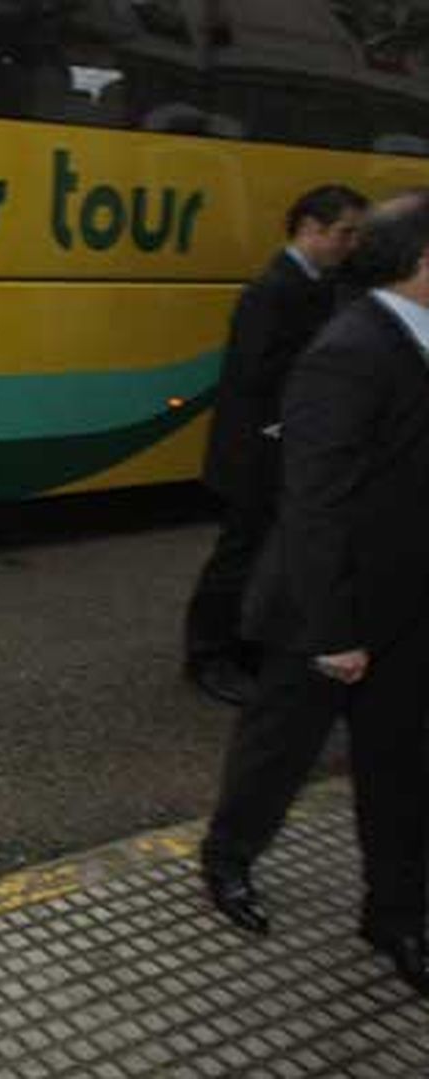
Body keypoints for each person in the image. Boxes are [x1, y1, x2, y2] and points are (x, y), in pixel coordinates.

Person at [200, 190, 429, 999]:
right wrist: (336, 631)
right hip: (321, 610)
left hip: (407, 606)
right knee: (276, 756)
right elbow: (315, 503)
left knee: (402, 767)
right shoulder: (350, 349)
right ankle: (228, 859)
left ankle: (396, 913)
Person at [184, 184, 368, 706]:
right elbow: (254, 375)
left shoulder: (317, 286)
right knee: (238, 554)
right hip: (257, 450)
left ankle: (242, 647)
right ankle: (208, 655)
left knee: (262, 552)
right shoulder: (274, 289)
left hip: (279, 445)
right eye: (343, 233)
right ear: (309, 227)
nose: (350, 245)